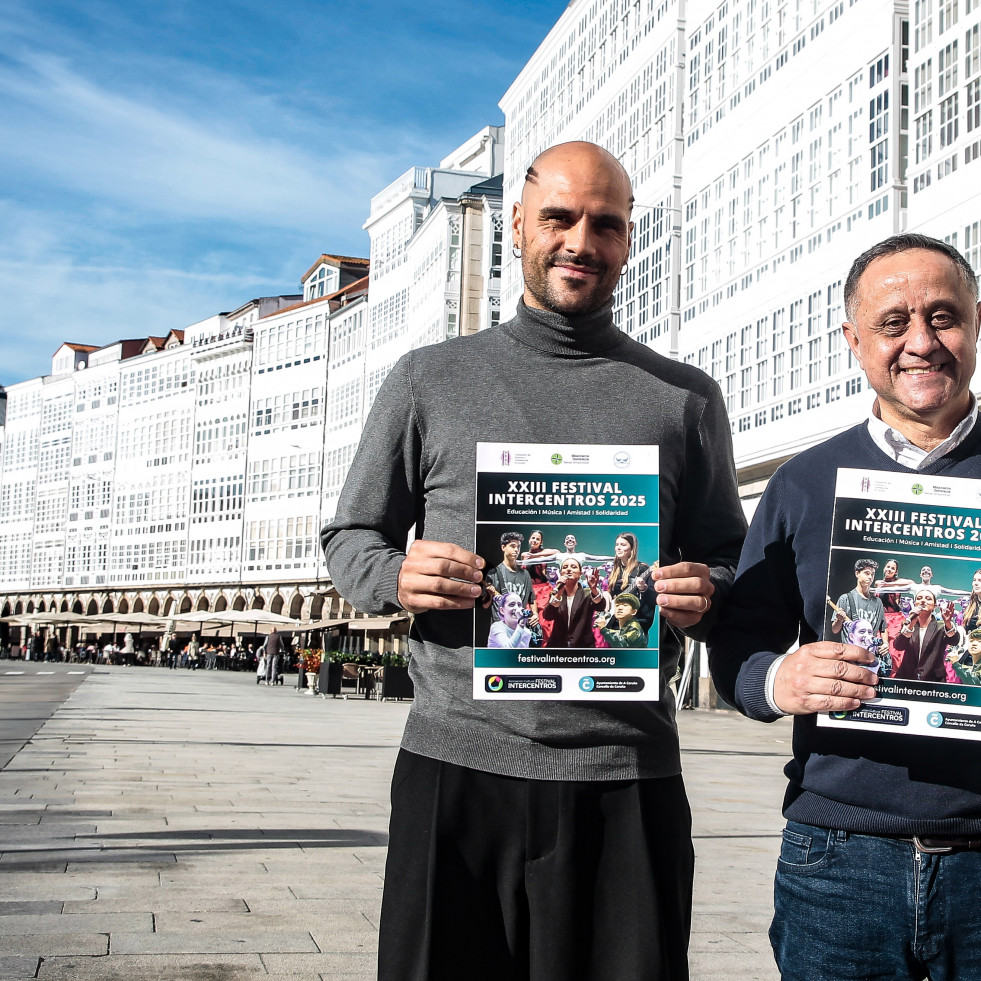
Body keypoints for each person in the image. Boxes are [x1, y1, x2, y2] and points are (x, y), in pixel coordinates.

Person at [322, 140, 745, 981]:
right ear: (517, 225)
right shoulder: (426, 380)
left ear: (629, 242)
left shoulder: (684, 397)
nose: (580, 241)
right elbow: (351, 535)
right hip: (458, 765)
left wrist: (709, 590)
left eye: (606, 224)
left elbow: (726, 552)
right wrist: (394, 580)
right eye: (558, 217)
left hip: (626, 772)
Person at [709, 233, 981, 981]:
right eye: (893, 322)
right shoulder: (802, 482)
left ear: (977, 321)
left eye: (943, 316)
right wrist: (778, 680)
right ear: (852, 339)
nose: (921, 342)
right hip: (838, 863)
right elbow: (736, 647)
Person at [893, 586, 958, 682]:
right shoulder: (908, 623)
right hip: (907, 679)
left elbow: (954, 641)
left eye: (928, 599)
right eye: (919, 598)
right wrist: (911, 625)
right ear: (915, 604)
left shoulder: (941, 626)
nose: (923, 601)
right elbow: (898, 646)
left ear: (935, 606)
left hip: (933, 680)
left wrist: (948, 623)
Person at [542, 556, 605, 648]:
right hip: (558, 648)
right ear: (561, 573)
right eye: (565, 567)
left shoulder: (587, 593)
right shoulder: (555, 593)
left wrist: (594, 589)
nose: (568, 569)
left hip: (583, 647)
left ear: (580, 574)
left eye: (573, 567)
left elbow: (601, 606)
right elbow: (548, 616)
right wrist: (558, 594)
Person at [482, 531, 537, 630]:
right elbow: (485, 605)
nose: (516, 550)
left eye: (518, 547)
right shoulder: (493, 573)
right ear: (503, 547)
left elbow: (532, 600)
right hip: (501, 630)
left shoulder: (525, 574)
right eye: (513, 546)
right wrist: (489, 595)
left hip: (521, 629)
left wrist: (535, 614)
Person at [830, 559, 887, 648]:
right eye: (867, 573)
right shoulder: (845, 599)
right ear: (857, 574)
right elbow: (835, 630)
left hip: (869, 654)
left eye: (872, 574)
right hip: (849, 652)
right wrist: (839, 620)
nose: (870, 577)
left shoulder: (878, 602)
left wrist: (885, 643)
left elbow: (883, 628)